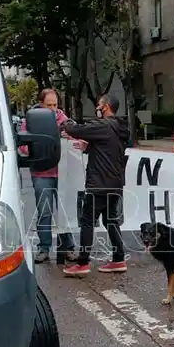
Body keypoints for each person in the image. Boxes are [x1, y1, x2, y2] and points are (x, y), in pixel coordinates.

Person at [61, 93, 131, 276]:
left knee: (87, 221)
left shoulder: (102, 125)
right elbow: (109, 150)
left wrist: (64, 120)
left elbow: (76, 130)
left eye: (99, 105)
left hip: (99, 184)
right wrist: (89, 148)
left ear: (106, 106)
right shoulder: (118, 128)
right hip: (115, 183)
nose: (97, 108)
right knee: (111, 220)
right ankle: (119, 259)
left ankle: (82, 262)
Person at [19, 88, 84, 264]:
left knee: (65, 211)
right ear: (41, 104)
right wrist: (35, 148)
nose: (54, 109)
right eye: (49, 105)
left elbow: (77, 141)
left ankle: (68, 247)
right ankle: (44, 248)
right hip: (41, 172)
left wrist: (69, 138)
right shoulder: (30, 121)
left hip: (62, 173)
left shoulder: (65, 121)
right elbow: (23, 145)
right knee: (44, 210)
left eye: (55, 104)